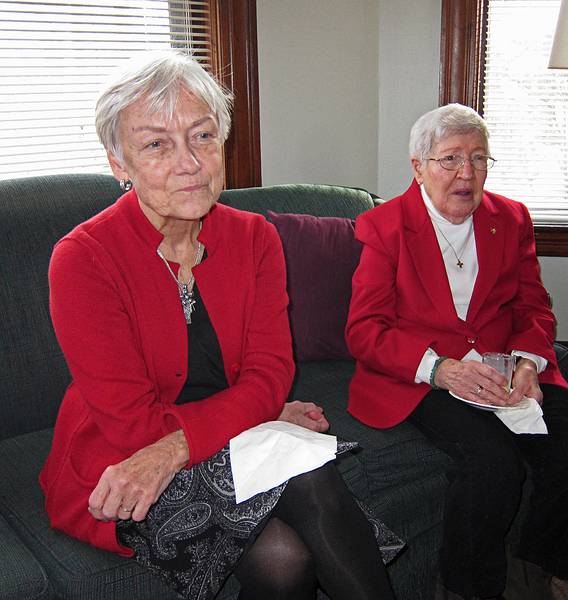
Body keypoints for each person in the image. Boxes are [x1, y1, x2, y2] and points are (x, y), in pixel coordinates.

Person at [39, 50, 397, 600]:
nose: (190, 162)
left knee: (284, 554)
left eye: (203, 136)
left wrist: (230, 423)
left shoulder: (255, 238)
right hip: (124, 464)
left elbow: (271, 374)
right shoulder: (84, 258)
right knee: (298, 498)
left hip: (204, 441)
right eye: (157, 144)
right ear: (119, 164)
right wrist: (253, 418)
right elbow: (136, 430)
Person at [345, 103, 568, 600]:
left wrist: (530, 363)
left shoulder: (509, 218)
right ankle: (466, 588)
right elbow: (364, 330)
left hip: (505, 369)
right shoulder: (384, 227)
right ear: (418, 167)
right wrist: (439, 369)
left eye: (479, 159)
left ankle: (535, 563)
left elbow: (535, 306)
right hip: (426, 375)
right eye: (449, 159)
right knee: (492, 463)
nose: (466, 174)